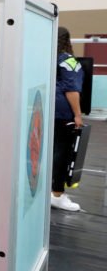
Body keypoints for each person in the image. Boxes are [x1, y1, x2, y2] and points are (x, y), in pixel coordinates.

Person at [51, 26, 84, 211]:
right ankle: (57, 194)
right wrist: (78, 115)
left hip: (43, 111)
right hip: (62, 114)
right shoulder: (68, 60)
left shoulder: (45, 58)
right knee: (61, 154)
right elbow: (72, 90)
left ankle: (49, 190)